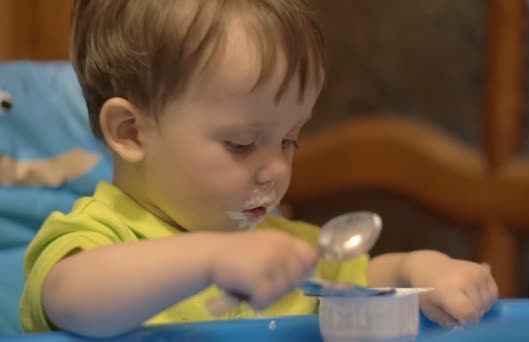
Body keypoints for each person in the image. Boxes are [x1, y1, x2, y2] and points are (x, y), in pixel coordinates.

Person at [20, 0, 497, 337]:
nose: (275, 169)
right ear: (131, 132)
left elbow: (363, 277)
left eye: (290, 139)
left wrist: (422, 270)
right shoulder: (94, 240)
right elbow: (72, 299)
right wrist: (210, 261)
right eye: (242, 143)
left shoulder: (283, 249)